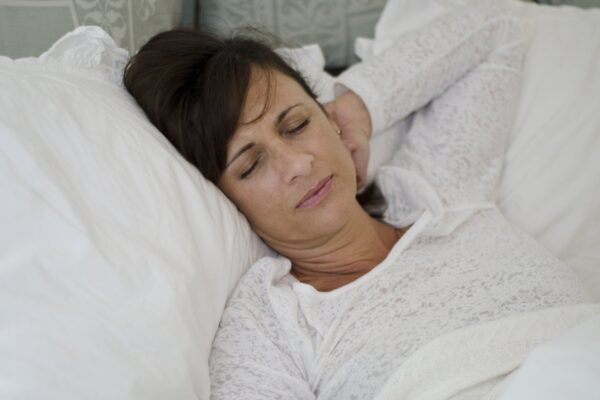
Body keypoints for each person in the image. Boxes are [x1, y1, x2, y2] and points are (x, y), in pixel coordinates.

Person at [123, 0, 591, 398]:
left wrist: (359, 107)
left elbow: (497, 26)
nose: (298, 164)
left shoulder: (438, 192)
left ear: (330, 121)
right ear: (227, 200)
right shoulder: (271, 324)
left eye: (297, 125)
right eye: (251, 165)